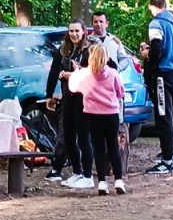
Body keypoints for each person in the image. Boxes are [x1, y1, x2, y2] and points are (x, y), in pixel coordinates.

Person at [43, 18, 96, 189]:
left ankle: (88, 176)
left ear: (83, 32)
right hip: (67, 97)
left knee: (83, 137)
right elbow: (53, 71)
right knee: (68, 136)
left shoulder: (90, 50)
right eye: (71, 31)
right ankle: (77, 172)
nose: (74, 34)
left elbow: (95, 73)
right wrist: (49, 94)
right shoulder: (64, 49)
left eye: (77, 31)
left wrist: (74, 74)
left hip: (84, 98)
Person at [68, 44, 127, 195]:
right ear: (106, 57)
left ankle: (102, 182)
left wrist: (75, 73)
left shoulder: (85, 74)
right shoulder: (113, 73)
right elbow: (121, 92)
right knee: (113, 146)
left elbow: (73, 87)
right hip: (111, 114)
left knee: (98, 148)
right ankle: (119, 180)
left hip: (93, 115)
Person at [140, 0, 173, 174]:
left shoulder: (156, 23)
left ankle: (166, 161)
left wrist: (146, 54)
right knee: (170, 116)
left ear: (152, 7)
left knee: (163, 116)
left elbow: (157, 50)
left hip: (162, 75)